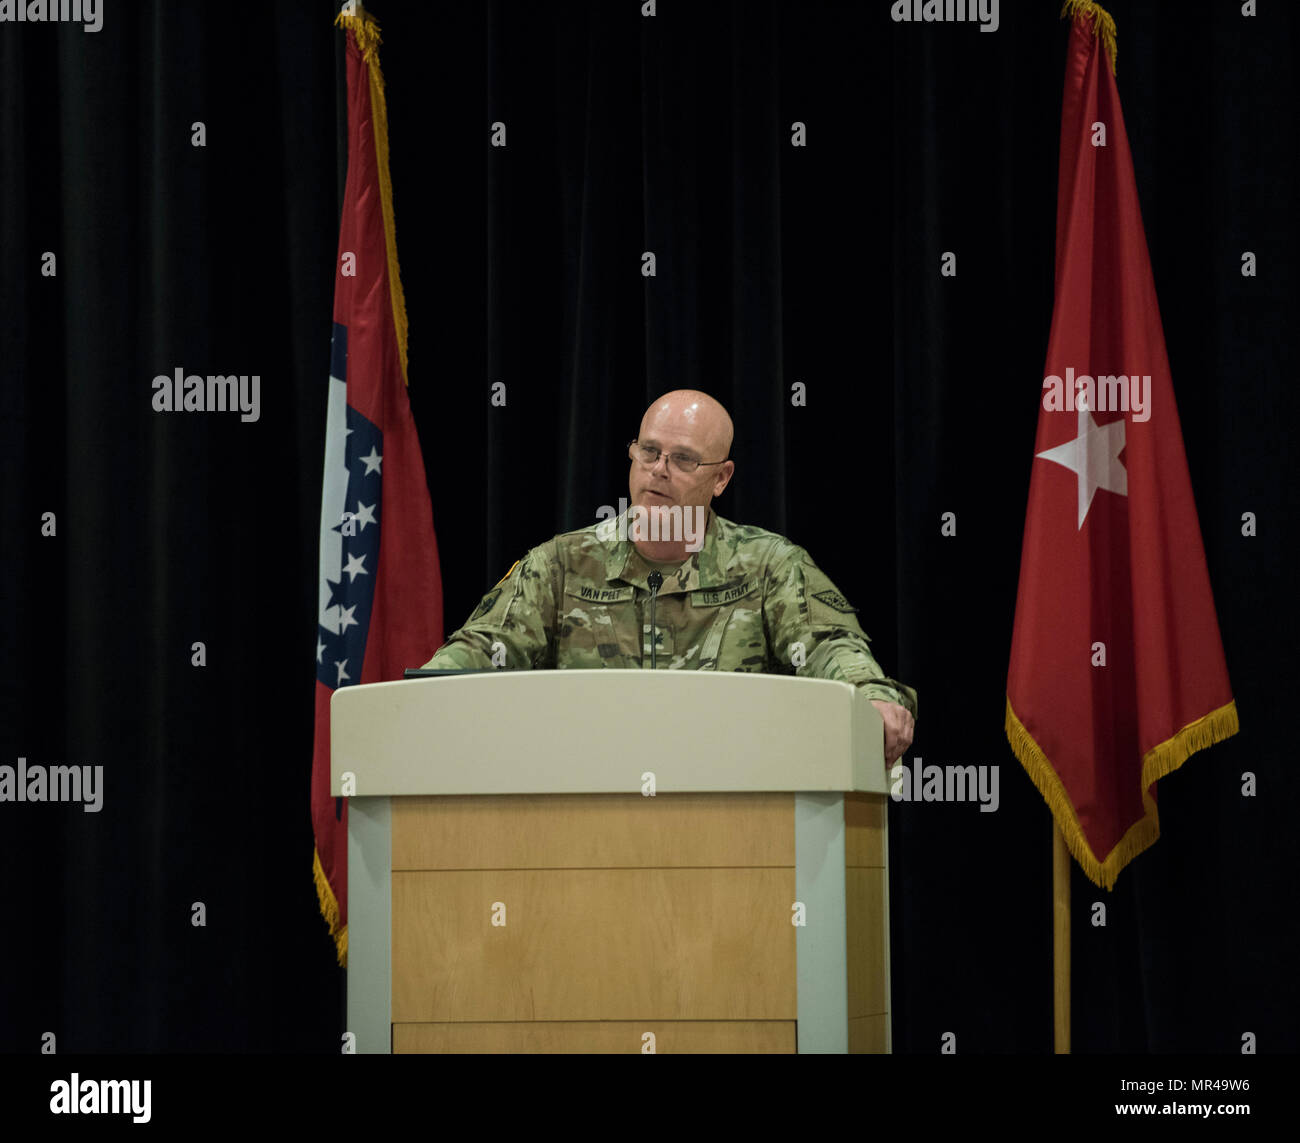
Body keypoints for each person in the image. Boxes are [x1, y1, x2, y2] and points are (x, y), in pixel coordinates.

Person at [420, 391, 917, 765]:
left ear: (721, 478)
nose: (659, 470)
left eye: (682, 459)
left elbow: (830, 644)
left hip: (735, 808)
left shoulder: (770, 566)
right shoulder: (562, 563)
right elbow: (485, 646)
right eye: (648, 452)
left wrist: (869, 695)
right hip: (586, 809)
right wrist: (425, 693)